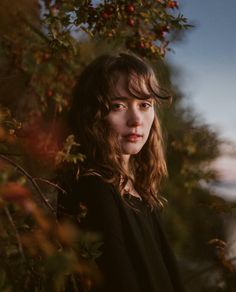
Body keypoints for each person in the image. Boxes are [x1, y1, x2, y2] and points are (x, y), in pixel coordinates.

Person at [57, 52, 186, 292]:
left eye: (144, 105)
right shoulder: (93, 190)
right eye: (118, 105)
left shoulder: (141, 192)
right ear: (93, 115)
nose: (136, 119)